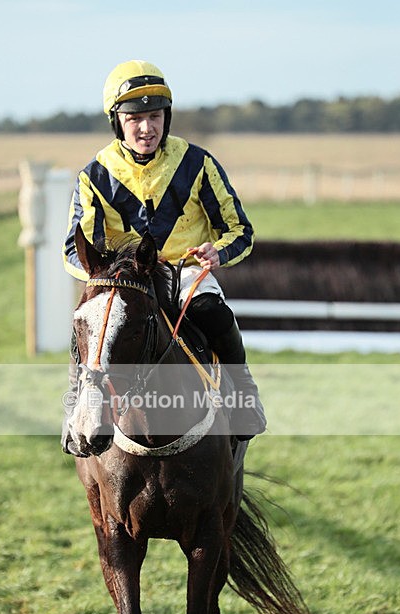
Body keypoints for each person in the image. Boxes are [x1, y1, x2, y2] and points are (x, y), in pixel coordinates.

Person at [62, 60, 266, 456]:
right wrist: (100, 272)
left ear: (166, 118)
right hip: (123, 279)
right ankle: (76, 405)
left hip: (184, 270)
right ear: (116, 121)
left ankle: (243, 392)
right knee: (90, 328)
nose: (146, 127)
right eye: (134, 118)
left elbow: (241, 230)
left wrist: (217, 252)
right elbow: (74, 247)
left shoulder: (197, 163)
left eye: (154, 116)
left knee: (215, 313)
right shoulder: (95, 175)